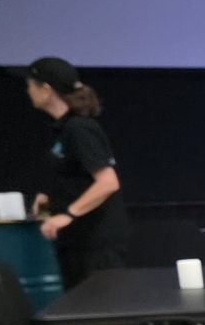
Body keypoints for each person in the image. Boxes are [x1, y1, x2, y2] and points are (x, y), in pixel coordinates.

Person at [19, 57, 129, 289]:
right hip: (76, 243)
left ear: (46, 90)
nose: (28, 91)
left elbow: (108, 182)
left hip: (96, 245)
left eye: (30, 85)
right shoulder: (62, 129)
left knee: (98, 309)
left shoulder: (79, 128)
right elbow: (77, 178)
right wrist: (52, 198)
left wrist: (68, 214)